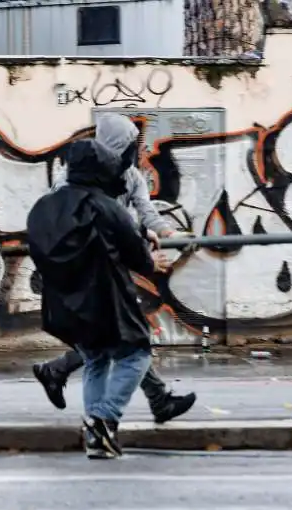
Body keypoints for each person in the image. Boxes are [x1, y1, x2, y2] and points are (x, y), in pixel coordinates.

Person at [31, 113, 196, 424]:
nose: (138, 148)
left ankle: (147, 402)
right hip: (85, 266)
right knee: (119, 338)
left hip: (110, 261)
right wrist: (138, 242)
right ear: (118, 144)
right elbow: (82, 217)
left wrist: (168, 233)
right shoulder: (74, 178)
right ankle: (125, 408)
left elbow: (144, 210)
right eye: (133, 142)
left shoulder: (130, 175)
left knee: (117, 337)